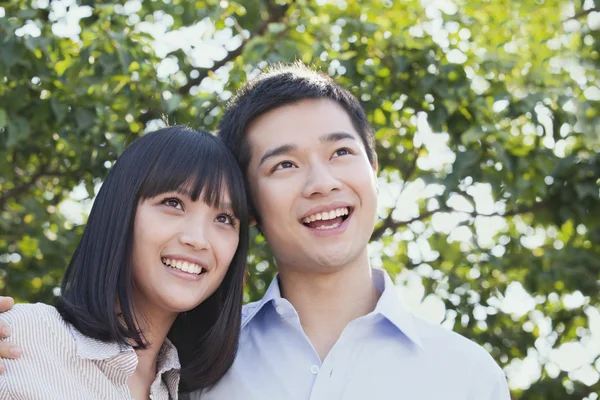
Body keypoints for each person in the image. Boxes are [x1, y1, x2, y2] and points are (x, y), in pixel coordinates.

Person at [0, 64, 510, 399]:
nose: (322, 182)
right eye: (284, 165)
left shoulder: (468, 376)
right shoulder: (198, 366)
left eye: (341, 152)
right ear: (254, 208)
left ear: (374, 167)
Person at [0, 126, 249, 399]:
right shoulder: (21, 335)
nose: (199, 240)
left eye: (224, 219)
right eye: (174, 203)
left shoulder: (188, 392)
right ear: (121, 210)